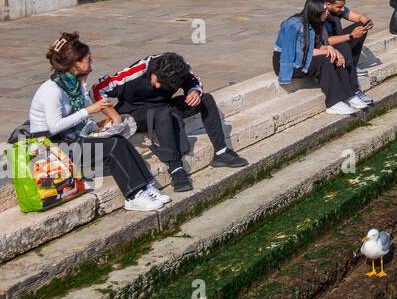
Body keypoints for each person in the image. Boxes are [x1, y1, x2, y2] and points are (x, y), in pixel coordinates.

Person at [30, 33, 169, 212]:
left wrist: (109, 124)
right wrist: (88, 111)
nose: (92, 60)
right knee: (112, 147)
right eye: (88, 58)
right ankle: (133, 196)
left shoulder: (75, 84)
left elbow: (87, 109)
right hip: (51, 148)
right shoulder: (52, 90)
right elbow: (54, 126)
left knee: (119, 140)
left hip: (69, 138)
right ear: (76, 63)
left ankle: (146, 186)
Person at [93, 52, 248, 193]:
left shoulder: (181, 69)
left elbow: (193, 81)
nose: (158, 86)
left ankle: (221, 153)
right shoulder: (137, 71)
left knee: (206, 99)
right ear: (153, 70)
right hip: (136, 114)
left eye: (164, 84)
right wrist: (114, 116)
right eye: (157, 80)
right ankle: (176, 168)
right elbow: (98, 88)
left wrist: (194, 92)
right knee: (163, 113)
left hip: (164, 107)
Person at [274, 0, 369, 117]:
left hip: (306, 56)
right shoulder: (292, 25)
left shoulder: (318, 22)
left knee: (343, 49)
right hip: (290, 63)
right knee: (326, 59)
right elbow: (299, 54)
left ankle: (350, 94)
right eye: (325, 10)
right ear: (316, 11)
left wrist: (332, 49)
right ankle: (333, 103)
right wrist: (328, 51)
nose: (328, 12)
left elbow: (319, 45)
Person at [322, 0, 376, 103]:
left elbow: (359, 17)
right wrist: (351, 36)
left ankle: (353, 65)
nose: (342, 10)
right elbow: (326, 41)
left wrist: (367, 22)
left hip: (338, 39)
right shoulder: (321, 14)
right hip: (327, 46)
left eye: (343, 6)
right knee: (347, 42)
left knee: (361, 27)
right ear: (328, 5)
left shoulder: (338, 9)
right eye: (339, 7)